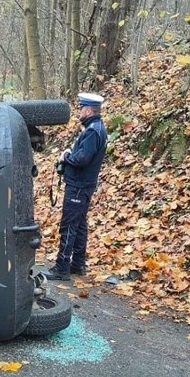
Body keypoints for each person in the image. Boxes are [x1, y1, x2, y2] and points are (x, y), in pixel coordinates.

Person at [45, 92, 108, 281]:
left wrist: (66, 157)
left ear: (88, 110)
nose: (79, 111)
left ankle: (61, 268)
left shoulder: (92, 131)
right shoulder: (96, 128)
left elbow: (82, 159)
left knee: (69, 225)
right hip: (84, 184)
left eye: (81, 108)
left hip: (79, 186)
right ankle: (78, 264)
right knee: (79, 225)